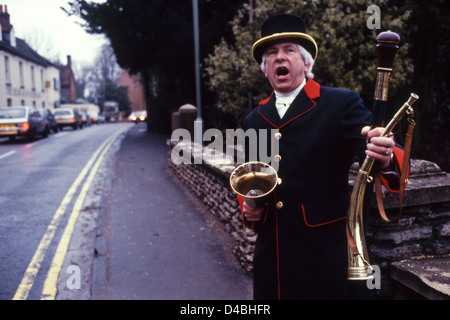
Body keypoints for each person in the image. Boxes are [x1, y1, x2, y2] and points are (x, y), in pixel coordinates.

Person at [237, 13, 407, 299]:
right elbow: (253, 178)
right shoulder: (253, 120)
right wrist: (248, 208)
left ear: (306, 63)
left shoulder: (339, 104)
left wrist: (386, 155)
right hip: (272, 258)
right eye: (271, 53)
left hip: (325, 256)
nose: (280, 58)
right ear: (264, 68)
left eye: (289, 50)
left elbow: (383, 150)